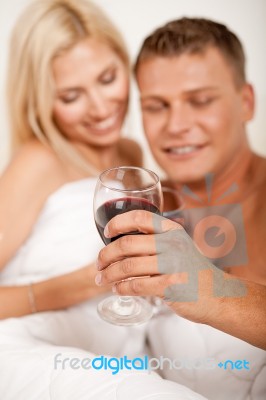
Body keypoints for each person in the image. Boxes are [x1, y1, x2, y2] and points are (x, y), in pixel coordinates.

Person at [0, 2, 209, 399]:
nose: (100, 108)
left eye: (108, 78)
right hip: (30, 348)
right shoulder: (38, 161)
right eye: (71, 95)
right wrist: (83, 284)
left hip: (110, 353)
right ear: (40, 99)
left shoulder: (128, 156)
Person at [96, 18, 266, 399]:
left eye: (201, 101)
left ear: (246, 102)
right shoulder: (145, 209)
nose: (176, 124)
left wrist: (213, 290)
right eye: (157, 106)